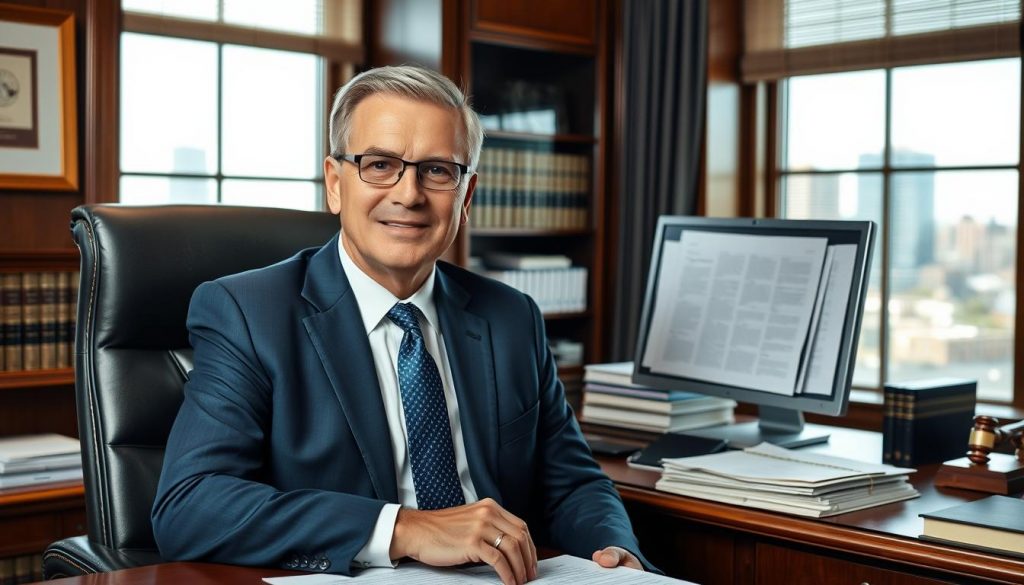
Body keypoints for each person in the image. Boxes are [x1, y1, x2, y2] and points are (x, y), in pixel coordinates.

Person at [151, 65, 653, 585]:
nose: (409, 194)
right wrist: (404, 528)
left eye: (437, 170)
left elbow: (572, 482)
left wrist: (615, 554)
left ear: (466, 196)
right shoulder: (248, 313)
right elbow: (190, 504)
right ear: (335, 184)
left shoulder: (511, 318)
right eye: (380, 165)